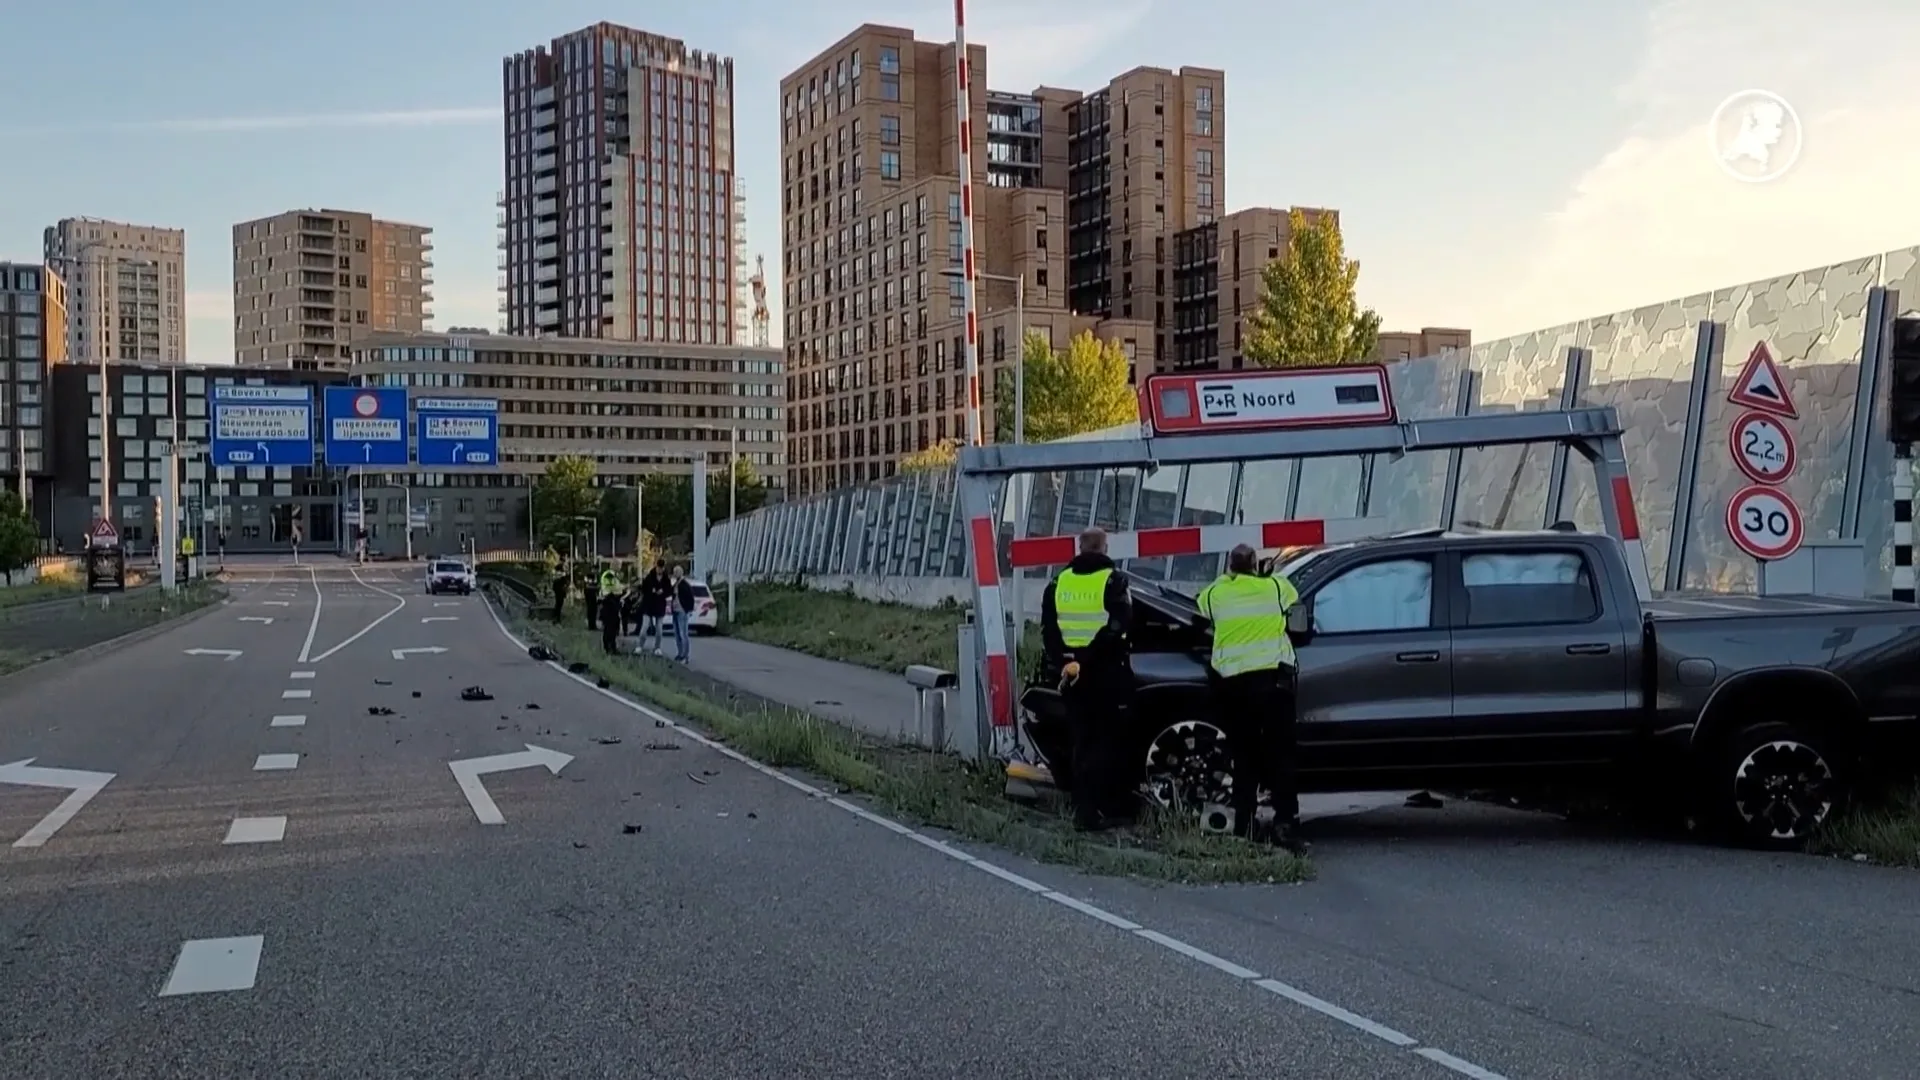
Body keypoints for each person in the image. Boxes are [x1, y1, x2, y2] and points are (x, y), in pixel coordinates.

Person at [1196, 543, 1303, 852]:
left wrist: (1227, 579)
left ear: (1230, 567)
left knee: (1243, 756)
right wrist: (1265, 573)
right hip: (1272, 684)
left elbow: (1201, 606)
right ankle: (1285, 825)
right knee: (1281, 756)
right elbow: (1292, 595)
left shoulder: (1217, 593)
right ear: (1256, 564)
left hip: (1232, 687)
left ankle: (1245, 823)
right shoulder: (1274, 587)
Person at [1039, 526, 1135, 832]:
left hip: (1070, 676)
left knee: (1080, 740)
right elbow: (1119, 625)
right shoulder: (1114, 580)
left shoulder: (1058, 582)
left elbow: (1048, 631)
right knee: (1106, 742)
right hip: (1104, 673)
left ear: (1080, 548)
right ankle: (1102, 810)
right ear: (1104, 547)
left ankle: (1083, 809)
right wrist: (1088, 659)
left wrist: (1067, 661)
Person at [639, 559, 671, 655]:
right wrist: (651, 591)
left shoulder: (666, 579)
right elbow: (643, 589)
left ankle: (657, 648)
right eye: (658, 568)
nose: (660, 570)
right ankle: (640, 646)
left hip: (660, 605)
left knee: (659, 629)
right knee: (644, 627)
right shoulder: (649, 577)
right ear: (656, 567)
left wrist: (663, 592)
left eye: (662, 568)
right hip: (648, 604)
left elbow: (669, 590)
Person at [669, 564, 696, 663]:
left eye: (676, 572)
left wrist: (687, 609)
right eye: (674, 572)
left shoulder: (685, 584)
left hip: (682, 611)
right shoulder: (676, 584)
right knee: (677, 634)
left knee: (683, 633)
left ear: (681, 572)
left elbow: (690, 598)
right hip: (675, 611)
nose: (675, 574)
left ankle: (685, 655)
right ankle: (680, 653)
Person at [593, 564, 620, 632]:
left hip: (609, 597)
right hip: (607, 597)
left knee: (608, 613)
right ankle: (607, 627)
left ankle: (610, 628)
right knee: (606, 613)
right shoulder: (608, 575)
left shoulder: (610, 575)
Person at [598, 587, 624, 655]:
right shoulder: (612, 600)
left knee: (607, 633)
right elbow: (617, 607)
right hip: (612, 617)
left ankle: (608, 648)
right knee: (611, 634)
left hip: (608, 617)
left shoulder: (606, 599)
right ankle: (611, 648)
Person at [582, 564, 602, 631]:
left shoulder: (597, 576)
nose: (596, 571)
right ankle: (591, 625)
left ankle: (594, 625)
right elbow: (587, 586)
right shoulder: (588, 576)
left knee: (594, 610)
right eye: (595, 570)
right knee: (590, 610)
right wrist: (596, 587)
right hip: (589, 594)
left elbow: (599, 585)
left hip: (594, 595)